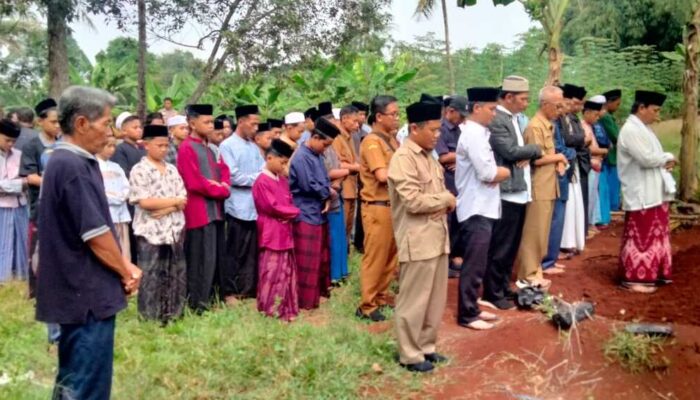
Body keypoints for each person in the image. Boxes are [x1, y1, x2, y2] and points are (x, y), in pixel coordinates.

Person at [36, 86, 142, 400]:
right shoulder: (71, 166)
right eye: (106, 123)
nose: (110, 132)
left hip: (79, 293)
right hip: (85, 298)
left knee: (73, 380)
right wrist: (126, 269)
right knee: (85, 385)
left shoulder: (72, 161)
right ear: (82, 124)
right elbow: (94, 234)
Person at [389, 101, 455, 373]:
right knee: (413, 301)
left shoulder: (428, 156)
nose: (437, 135)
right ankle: (410, 354)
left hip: (437, 238)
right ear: (414, 128)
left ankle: (426, 346)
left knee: (434, 300)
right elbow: (413, 201)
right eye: (432, 130)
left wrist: (442, 201)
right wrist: (447, 198)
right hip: (417, 240)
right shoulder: (403, 158)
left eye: (439, 129)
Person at [481, 76, 542, 310]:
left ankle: (504, 286)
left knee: (511, 245)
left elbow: (516, 152)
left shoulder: (513, 118)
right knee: (501, 246)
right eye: (523, 99)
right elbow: (509, 150)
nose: (527, 103)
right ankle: (492, 292)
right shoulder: (498, 119)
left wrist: (524, 153)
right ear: (508, 97)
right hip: (506, 192)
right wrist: (535, 149)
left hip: (518, 190)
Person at [454, 87, 511, 330]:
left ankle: (473, 307)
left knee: (479, 261)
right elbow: (487, 173)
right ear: (476, 108)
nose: (494, 114)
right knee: (474, 264)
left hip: (483, 206)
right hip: (475, 207)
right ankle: (467, 314)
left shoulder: (479, 133)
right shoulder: (474, 135)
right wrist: (507, 171)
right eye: (491, 109)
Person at [617, 90, 675, 294]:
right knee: (641, 236)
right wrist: (667, 157)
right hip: (641, 192)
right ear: (641, 108)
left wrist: (664, 160)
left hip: (653, 191)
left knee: (655, 234)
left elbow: (653, 157)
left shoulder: (643, 128)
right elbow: (646, 159)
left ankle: (654, 273)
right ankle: (634, 278)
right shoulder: (631, 129)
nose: (657, 115)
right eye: (655, 110)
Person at [129, 124, 187, 323]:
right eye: (159, 145)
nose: (163, 149)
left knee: (174, 273)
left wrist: (168, 208)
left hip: (174, 229)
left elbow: (183, 197)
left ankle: (173, 314)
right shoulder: (140, 170)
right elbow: (145, 202)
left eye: (165, 146)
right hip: (150, 231)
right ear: (146, 145)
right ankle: (149, 318)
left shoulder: (171, 169)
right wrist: (174, 203)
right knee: (152, 275)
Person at [177, 104, 231, 312]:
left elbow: (224, 170)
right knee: (201, 258)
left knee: (216, 256)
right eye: (206, 122)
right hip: (199, 212)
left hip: (216, 210)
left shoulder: (211, 148)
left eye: (211, 121)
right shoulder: (187, 148)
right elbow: (194, 182)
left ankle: (214, 297)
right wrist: (219, 190)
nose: (211, 126)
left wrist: (224, 186)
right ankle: (198, 303)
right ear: (192, 123)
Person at [515, 86, 568, 290]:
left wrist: (559, 161)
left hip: (549, 185)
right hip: (538, 186)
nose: (561, 109)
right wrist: (559, 157)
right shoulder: (535, 126)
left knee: (543, 232)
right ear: (545, 104)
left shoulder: (548, 125)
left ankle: (535, 269)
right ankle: (527, 275)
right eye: (557, 105)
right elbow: (534, 159)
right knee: (534, 232)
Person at [356, 95, 401, 322]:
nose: (397, 118)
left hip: (393, 207)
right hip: (377, 206)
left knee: (391, 256)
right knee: (376, 256)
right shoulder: (372, 142)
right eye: (393, 114)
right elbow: (382, 175)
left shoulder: (391, 140)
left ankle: (382, 297)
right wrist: (407, 174)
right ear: (379, 116)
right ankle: (367, 304)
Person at [289, 117, 336, 310]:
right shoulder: (301, 156)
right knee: (306, 259)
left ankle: (317, 294)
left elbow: (323, 180)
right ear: (315, 137)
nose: (325, 149)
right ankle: (305, 300)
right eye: (325, 144)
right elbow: (308, 184)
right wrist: (329, 193)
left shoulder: (316, 155)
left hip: (318, 211)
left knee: (320, 256)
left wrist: (327, 194)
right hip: (305, 213)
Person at [219, 104, 264, 302]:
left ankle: (248, 289)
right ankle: (230, 291)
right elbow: (234, 176)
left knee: (251, 251)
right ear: (242, 121)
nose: (256, 128)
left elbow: (264, 170)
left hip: (254, 207)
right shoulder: (227, 146)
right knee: (234, 252)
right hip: (236, 206)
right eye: (253, 124)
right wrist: (258, 178)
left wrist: (258, 177)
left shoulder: (254, 147)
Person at [252, 139, 300, 321]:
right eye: (282, 162)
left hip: (284, 229)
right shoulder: (261, 181)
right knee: (271, 271)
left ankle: (286, 308)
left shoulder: (281, 180)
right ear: (270, 158)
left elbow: (286, 203)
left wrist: (288, 213)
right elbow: (273, 207)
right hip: (271, 230)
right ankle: (270, 309)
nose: (283, 166)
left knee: (286, 270)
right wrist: (295, 212)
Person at [20, 98, 60, 297]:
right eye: (53, 122)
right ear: (40, 122)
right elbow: (30, 176)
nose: (57, 125)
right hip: (41, 205)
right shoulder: (32, 146)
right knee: (38, 247)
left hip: (63, 205)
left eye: (60, 121)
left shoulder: (64, 144)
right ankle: (36, 291)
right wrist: (54, 180)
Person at [436, 95, 468, 277]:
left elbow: (455, 155)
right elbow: (443, 157)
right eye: (460, 115)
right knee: (445, 224)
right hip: (445, 184)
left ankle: (454, 258)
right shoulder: (440, 129)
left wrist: (458, 157)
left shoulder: (458, 130)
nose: (462, 119)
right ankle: (444, 262)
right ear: (450, 111)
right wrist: (462, 156)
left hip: (458, 184)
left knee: (456, 223)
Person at [559, 85, 588, 254]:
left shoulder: (572, 118)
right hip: (566, 164)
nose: (576, 107)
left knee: (575, 203)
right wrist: (583, 138)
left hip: (574, 163)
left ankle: (572, 241)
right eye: (576, 102)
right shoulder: (561, 118)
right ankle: (563, 243)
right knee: (568, 205)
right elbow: (567, 139)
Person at [0, 119, 29, 283]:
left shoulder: (18, 155)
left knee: (20, 244)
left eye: (13, 141)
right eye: (7, 140)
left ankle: (20, 280)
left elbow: (27, 177)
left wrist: (13, 184)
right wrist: (20, 184)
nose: (10, 144)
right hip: (2, 207)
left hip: (19, 206)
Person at [97, 129, 132, 262]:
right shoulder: (94, 166)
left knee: (123, 247)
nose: (112, 150)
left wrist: (122, 196)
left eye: (113, 146)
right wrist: (114, 198)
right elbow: (99, 191)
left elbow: (126, 186)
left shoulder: (116, 166)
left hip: (121, 214)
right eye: (108, 146)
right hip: (106, 214)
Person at [323, 119, 350, 283]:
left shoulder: (332, 147)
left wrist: (340, 180)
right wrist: (344, 171)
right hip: (328, 195)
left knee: (339, 235)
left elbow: (338, 168)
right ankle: (332, 275)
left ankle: (340, 272)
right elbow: (326, 172)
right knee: (332, 237)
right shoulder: (322, 149)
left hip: (336, 192)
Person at [333, 105, 362, 245]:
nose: (357, 125)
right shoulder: (336, 138)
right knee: (342, 226)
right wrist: (355, 167)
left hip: (352, 187)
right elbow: (335, 164)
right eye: (355, 121)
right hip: (342, 188)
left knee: (349, 225)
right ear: (344, 119)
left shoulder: (350, 137)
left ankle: (346, 254)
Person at [580, 99, 608, 235]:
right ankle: (586, 226)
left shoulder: (590, 126)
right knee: (588, 197)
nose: (597, 118)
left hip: (596, 166)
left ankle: (590, 223)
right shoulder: (582, 126)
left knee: (592, 196)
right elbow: (589, 150)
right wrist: (604, 151)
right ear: (587, 112)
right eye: (595, 115)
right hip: (589, 166)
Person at [600, 89, 623, 212]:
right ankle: (613, 207)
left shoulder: (608, 117)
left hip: (611, 155)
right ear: (608, 102)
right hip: (611, 156)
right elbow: (616, 136)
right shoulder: (606, 118)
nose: (617, 107)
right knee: (612, 183)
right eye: (617, 104)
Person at [111, 113, 144, 178]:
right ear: (124, 131)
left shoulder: (143, 148)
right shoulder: (120, 149)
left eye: (140, 127)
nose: (139, 130)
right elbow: (122, 173)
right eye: (135, 128)